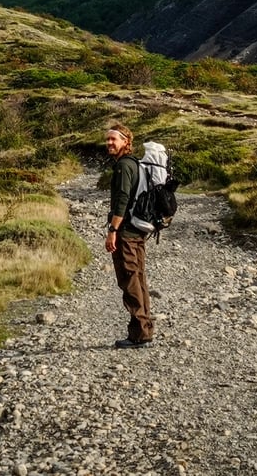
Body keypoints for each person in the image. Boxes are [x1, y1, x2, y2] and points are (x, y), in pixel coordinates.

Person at [104, 123, 153, 349]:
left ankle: (139, 335)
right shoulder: (134, 164)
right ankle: (143, 331)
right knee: (138, 279)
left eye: (114, 139)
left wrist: (113, 230)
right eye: (108, 140)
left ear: (126, 142)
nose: (109, 143)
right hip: (137, 231)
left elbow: (122, 199)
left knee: (130, 280)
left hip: (127, 232)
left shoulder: (124, 166)